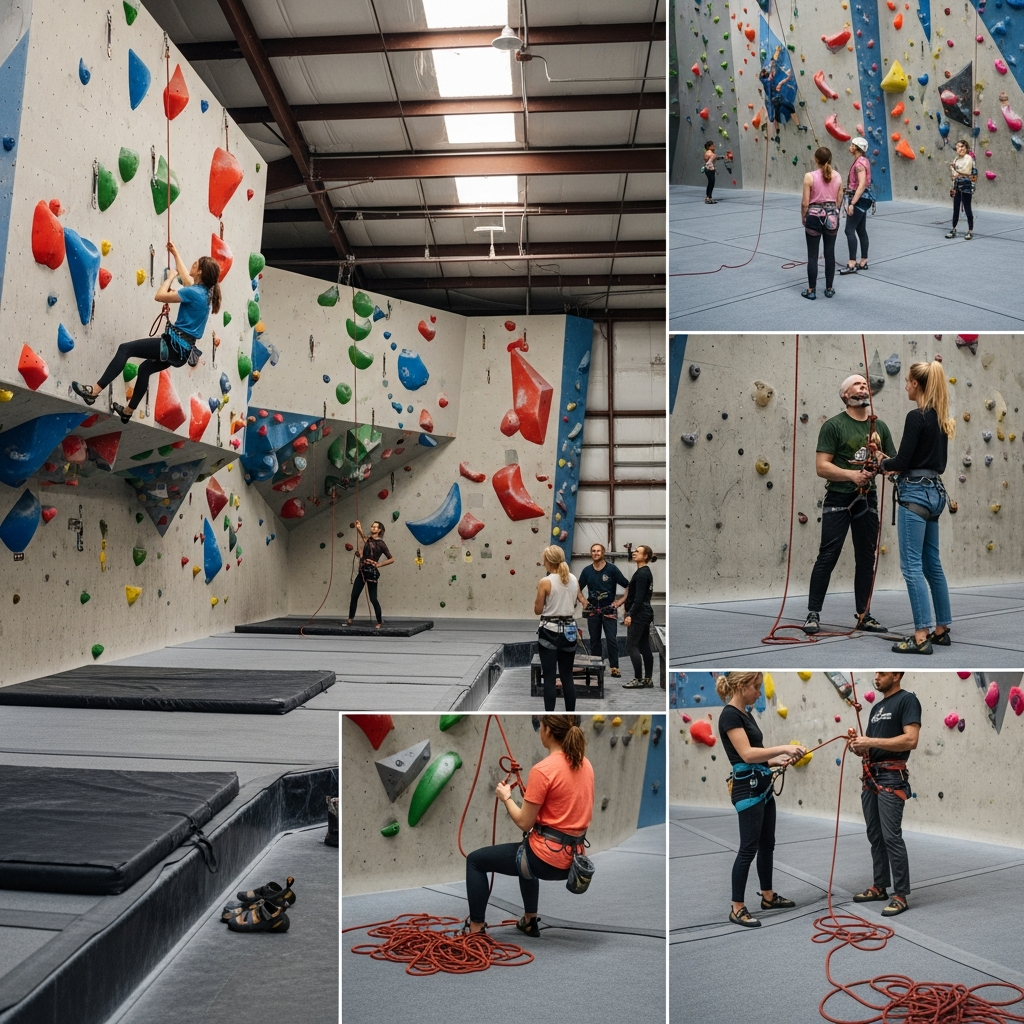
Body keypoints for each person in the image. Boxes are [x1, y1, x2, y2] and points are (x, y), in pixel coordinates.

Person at [465, 715, 594, 937]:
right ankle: (529, 920)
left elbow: (524, 822)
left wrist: (505, 797)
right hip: (574, 859)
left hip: (546, 859)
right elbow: (563, 806)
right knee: (526, 853)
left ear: (548, 731)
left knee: (475, 861)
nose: (539, 730)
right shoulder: (584, 763)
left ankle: (476, 929)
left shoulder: (543, 770)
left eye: (541, 726)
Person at [72, 241, 219, 424]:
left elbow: (159, 296)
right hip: (181, 353)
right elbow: (187, 278)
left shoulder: (193, 293)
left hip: (172, 346)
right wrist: (175, 253)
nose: (193, 264)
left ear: (201, 273)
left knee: (125, 349)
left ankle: (94, 391)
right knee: (145, 369)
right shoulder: (206, 295)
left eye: (196, 264)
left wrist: (169, 278)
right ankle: (127, 411)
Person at [804, 374, 896, 635]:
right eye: (857, 384)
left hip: (867, 498)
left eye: (865, 385)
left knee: (866, 558)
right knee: (828, 554)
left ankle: (864, 615)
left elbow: (893, 467)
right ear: (845, 395)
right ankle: (813, 613)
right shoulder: (834, 426)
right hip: (840, 497)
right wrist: (852, 475)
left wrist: (879, 455)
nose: (864, 386)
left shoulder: (880, 428)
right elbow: (822, 466)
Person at [717, 672, 807, 927]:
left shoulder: (745, 714)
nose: (759, 692)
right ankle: (737, 907)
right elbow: (745, 754)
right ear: (743, 686)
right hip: (748, 789)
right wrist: (783, 747)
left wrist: (773, 761)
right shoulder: (730, 715)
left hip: (762, 783)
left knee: (767, 843)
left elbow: (753, 755)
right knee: (748, 848)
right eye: (756, 687)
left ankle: (767, 896)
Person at [880, 361, 955, 655]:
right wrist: (893, 462)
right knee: (932, 565)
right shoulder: (941, 419)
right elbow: (933, 462)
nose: (906, 385)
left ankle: (921, 635)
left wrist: (882, 464)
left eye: (909, 381)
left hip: (916, 493)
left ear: (918, 385)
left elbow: (902, 462)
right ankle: (941, 629)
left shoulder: (916, 416)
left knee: (911, 566)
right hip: (935, 493)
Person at [848, 671, 921, 916]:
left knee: (891, 837)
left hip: (891, 776)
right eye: (876, 673)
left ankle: (900, 895)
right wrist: (859, 746)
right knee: (875, 836)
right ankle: (880, 886)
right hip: (871, 776)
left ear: (897, 674)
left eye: (882, 673)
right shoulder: (876, 707)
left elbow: (911, 740)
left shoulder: (907, 700)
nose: (876, 676)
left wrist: (871, 741)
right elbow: (872, 746)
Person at [534, 546, 581, 712]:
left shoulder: (545, 582)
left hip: (550, 630)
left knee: (549, 677)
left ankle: (550, 715)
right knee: (567, 676)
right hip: (569, 629)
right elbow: (574, 603)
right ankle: (570, 714)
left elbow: (538, 610)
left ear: (548, 561)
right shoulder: (574, 579)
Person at [579, 543, 630, 677]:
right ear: (591, 553)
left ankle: (614, 667)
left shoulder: (612, 570)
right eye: (593, 551)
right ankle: (596, 666)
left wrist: (619, 602)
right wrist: (584, 602)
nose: (596, 553)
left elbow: (628, 586)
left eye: (598, 551)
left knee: (611, 639)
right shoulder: (586, 571)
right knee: (594, 640)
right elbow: (576, 588)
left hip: (609, 610)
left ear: (603, 553)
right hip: (593, 610)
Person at [800, 146, 843, 300]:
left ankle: (811, 290)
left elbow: (805, 202)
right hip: (832, 215)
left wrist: (803, 216)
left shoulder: (809, 176)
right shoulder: (837, 176)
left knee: (812, 255)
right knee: (829, 253)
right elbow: (839, 200)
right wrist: (834, 213)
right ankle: (829, 288)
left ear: (815, 159)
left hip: (814, 215)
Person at [347, 520, 394, 628]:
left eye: (375, 527)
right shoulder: (368, 540)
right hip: (363, 571)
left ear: (379, 530)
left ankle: (379, 621)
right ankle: (350, 618)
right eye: (372, 526)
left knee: (373, 598)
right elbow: (364, 540)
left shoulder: (381, 543)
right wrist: (359, 529)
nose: (373, 528)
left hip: (372, 572)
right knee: (354, 595)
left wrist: (379, 565)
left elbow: (391, 559)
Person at [622, 545, 656, 689]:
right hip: (645, 612)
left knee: (631, 645)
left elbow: (639, 598)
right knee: (643, 645)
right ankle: (648, 679)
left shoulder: (642, 574)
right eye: (634, 550)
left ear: (646, 556)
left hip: (640, 613)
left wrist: (630, 614)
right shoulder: (644, 572)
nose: (634, 553)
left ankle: (638, 679)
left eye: (638, 551)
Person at [839, 138, 872, 275]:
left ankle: (852, 263)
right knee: (861, 229)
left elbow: (862, 184)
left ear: (857, 148)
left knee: (849, 229)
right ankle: (863, 261)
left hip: (859, 199)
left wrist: (852, 203)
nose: (850, 147)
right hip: (861, 199)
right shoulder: (862, 161)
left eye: (852, 145)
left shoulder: (860, 164)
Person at [945, 139, 976, 240]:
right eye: (958, 147)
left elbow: (966, 171)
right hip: (957, 187)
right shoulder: (956, 159)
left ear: (966, 148)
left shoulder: (968, 158)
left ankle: (970, 230)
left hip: (966, 187)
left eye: (962, 146)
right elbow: (954, 175)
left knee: (967, 209)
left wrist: (955, 170)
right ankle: (953, 228)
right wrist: (953, 187)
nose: (960, 149)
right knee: (956, 209)